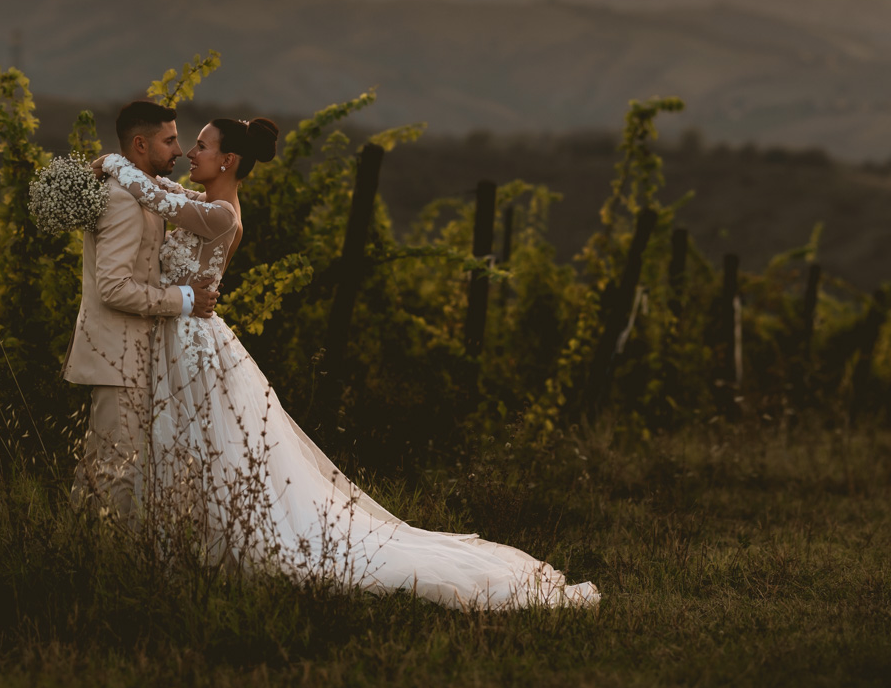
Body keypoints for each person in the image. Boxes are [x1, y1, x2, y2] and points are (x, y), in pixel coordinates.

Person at [97, 114, 599, 609]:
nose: (190, 152)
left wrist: (117, 164)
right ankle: (174, 543)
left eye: (201, 146)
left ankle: (215, 548)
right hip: (176, 333)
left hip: (192, 341)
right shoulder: (202, 201)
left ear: (227, 160)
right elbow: (166, 193)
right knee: (186, 444)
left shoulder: (223, 214)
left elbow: (156, 197)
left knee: (209, 445)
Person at [63, 100, 217, 519]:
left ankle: (76, 556)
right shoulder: (123, 201)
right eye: (169, 140)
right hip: (117, 355)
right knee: (119, 472)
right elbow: (113, 287)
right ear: (139, 144)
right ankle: (114, 570)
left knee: (101, 468)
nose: (178, 149)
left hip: (129, 354)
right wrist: (184, 300)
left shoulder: (140, 192)